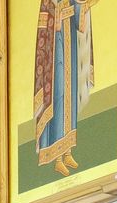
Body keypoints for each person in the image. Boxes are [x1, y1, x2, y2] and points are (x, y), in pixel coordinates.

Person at [33, 0, 90, 175]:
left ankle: (68, 151)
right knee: (58, 96)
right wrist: (57, 17)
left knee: (69, 94)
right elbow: (45, 23)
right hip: (55, 47)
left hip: (69, 39)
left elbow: (78, 7)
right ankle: (57, 158)